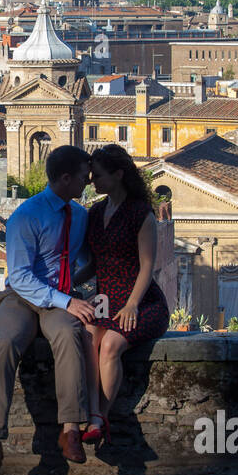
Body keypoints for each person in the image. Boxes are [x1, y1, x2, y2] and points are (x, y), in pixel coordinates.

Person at [0, 145, 94, 470]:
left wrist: (80, 293)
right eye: (84, 178)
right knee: (5, 342)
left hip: (59, 297)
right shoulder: (27, 216)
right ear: (66, 178)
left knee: (70, 337)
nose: (88, 183)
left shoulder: (80, 217)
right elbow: (22, 277)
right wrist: (68, 301)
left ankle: (70, 428)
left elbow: (84, 260)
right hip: (21, 297)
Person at [80, 144, 169, 447]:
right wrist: (63, 286)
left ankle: (99, 417)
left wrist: (132, 304)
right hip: (107, 298)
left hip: (141, 301)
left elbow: (148, 265)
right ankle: (93, 413)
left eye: (99, 176)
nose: (93, 182)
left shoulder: (140, 213)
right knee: (88, 340)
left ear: (118, 175)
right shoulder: (95, 213)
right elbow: (94, 264)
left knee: (110, 346)